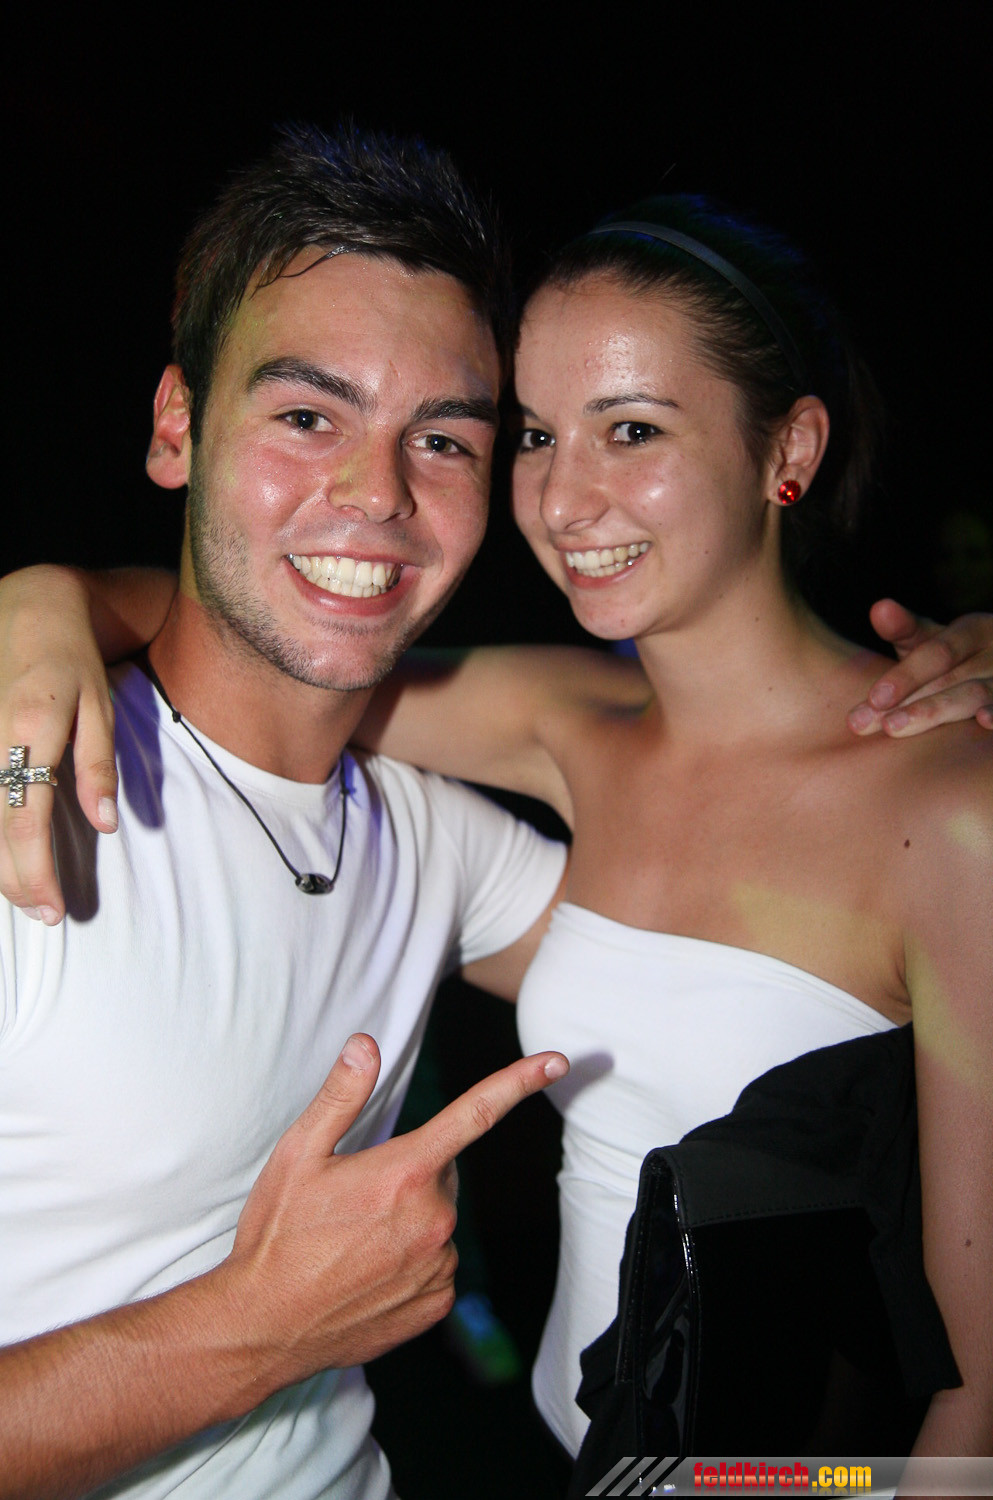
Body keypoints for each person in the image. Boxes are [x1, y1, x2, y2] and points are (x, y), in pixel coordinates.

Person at [3, 192, 993, 1465]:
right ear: (179, 424)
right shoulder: (569, 723)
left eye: (629, 429)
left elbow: (976, 1397)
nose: (565, 498)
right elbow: (283, 630)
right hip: (568, 1450)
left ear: (786, 448)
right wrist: (44, 600)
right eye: (533, 435)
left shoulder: (945, 801)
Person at [0, 123, 575, 1500]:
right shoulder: (25, 785)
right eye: (308, 416)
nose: (377, 494)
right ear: (177, 428)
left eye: (440, 439)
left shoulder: (430, 836)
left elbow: (749, 947)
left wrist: (923, 716)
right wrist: (258, 1330)